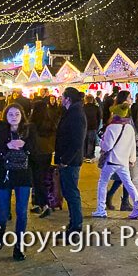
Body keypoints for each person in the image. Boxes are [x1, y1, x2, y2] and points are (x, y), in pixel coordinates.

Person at [0, 103, 38, 261]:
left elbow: (36, 153)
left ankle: (19, 246)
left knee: (22, 212)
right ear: (5, 116)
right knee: (3, 211)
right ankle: (1, 230)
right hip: (4, 176)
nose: (14, 117)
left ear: (22, 115)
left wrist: (26, 147)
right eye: (10, 114)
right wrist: (6, 148)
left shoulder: (29, 131)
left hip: (23, 176)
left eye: (17, 114)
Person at [91, 95, 138, 220]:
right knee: (129, 184)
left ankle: (101, 209)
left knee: (102, 183)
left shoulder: (111, 127)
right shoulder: (130, 128)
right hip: (124, 162)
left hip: (111, 161)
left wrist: (102, 140)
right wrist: (132, 160)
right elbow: (132, 146)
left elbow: (106, 146)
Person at [54, 86, 87, 234]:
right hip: (67, 159)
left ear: (68, 99)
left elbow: (76, 141)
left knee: (72, 193)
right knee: (68, 192)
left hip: (70, 161)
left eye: (62, 96)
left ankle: (76, 226)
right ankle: (73, 223)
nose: (60, 99)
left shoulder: (76, 114)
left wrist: (65, 160)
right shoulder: (72, 112)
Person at [104, 91, 135, 211]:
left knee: (123, 178)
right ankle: (123, 202)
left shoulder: (122, 114)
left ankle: (113, 197)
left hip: (123, 150)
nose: (131, 100)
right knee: (126, 177)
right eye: (129, 98)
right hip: (122, 152)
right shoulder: (120, 116)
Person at [30, 97, 59, 218]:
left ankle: (45, 204)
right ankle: (38, 204)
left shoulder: (32, 124)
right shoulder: (51, 122)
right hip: (47, 154)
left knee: (37, 181)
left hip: (35, 154)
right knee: (42, 179)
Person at [84, 93, 102, 161]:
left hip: (85, 127)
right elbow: (99, 117)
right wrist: (97, 126)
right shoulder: (96, 107)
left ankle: (84, 154)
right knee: (91, 141)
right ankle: (90, 155)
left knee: (85, 141)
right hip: (93, 126)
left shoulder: (83, 107)